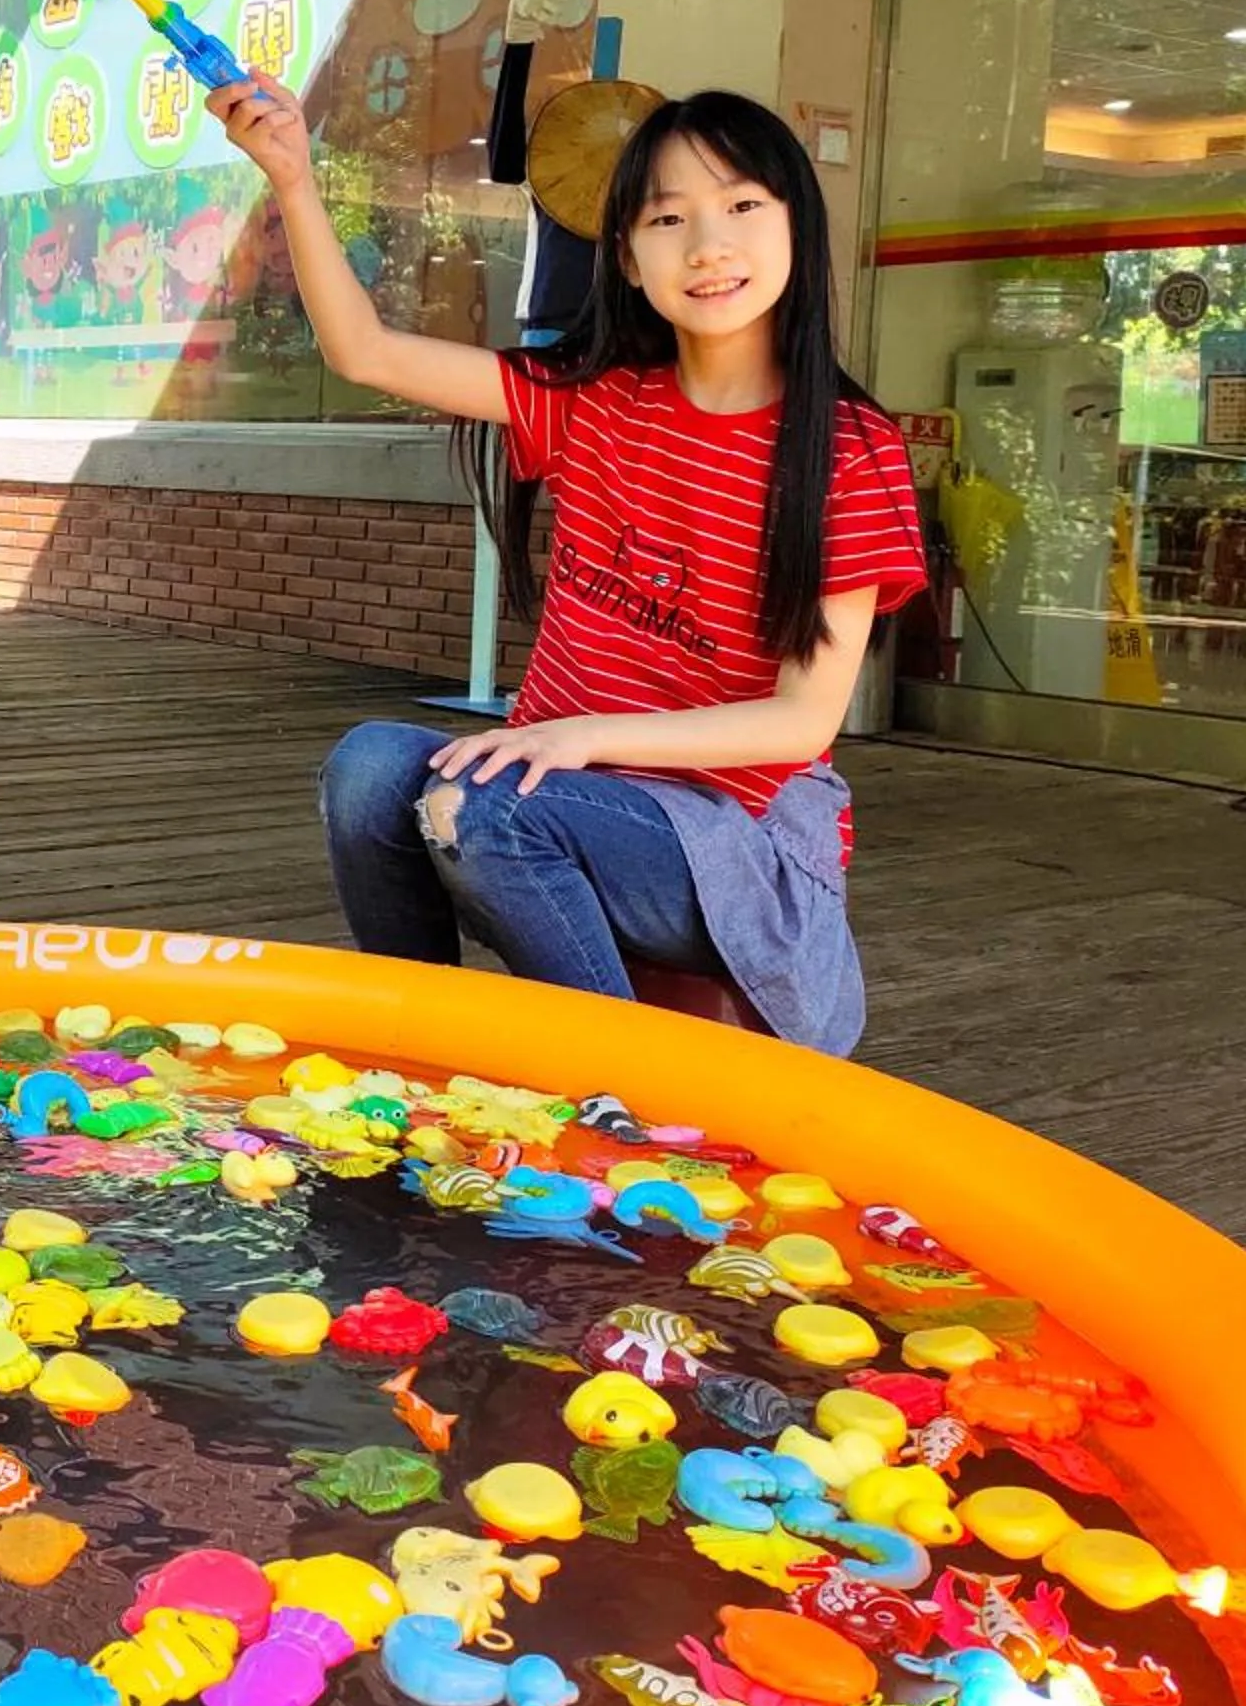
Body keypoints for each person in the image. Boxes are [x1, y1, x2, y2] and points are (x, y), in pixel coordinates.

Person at [212, 74, 923, 1054]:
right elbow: (367, 351)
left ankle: (615, 1099)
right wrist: (292, 176)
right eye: (668, 218)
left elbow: (803, 720)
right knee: (370, 767)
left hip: (732, 845)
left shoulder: (848, 448)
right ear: (628, 259)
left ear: (798, 227)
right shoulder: (596, 404)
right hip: (556, 795)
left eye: (744, 206)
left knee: (485, 808)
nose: (710, 246)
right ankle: (422, 1053)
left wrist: (581, 736)